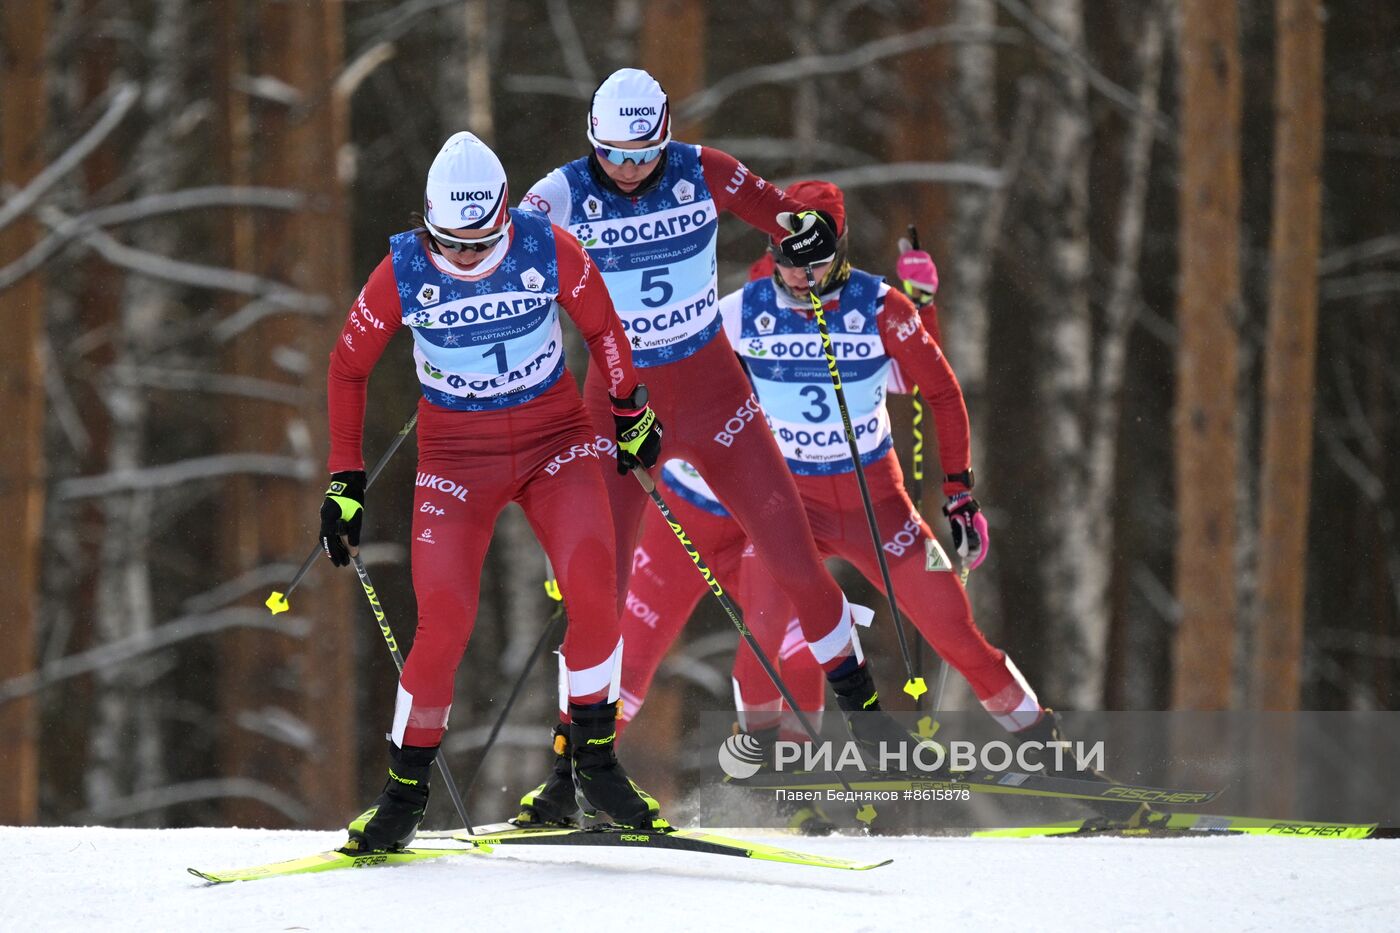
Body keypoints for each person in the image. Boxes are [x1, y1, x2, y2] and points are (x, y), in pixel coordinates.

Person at [512, 67, 914, 827]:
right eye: (610, 154)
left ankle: (868, 719)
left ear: (665, 135)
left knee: (793, 551)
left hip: (712, 394)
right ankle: (570, 773)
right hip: (618, 405)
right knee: (596, 583)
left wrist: (809, 229)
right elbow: (505, 249)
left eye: (641, 153)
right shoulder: (561, 191)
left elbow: (781, 213)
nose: (626, 170)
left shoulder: (704, 170)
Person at [319, 131, 667, 852]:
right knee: (443, 621)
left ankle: (594, 764)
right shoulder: (404, 270)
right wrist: (345, 479)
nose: (469, 258)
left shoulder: (547, 249)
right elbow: (347, 368)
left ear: (507, 216)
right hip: (455, 457)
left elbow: (604, 327)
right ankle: (403, 791)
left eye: (483, 241)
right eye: (453, 243)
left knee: (596, 590)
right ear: (426, 224)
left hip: (557, 442)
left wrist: (630, 410)